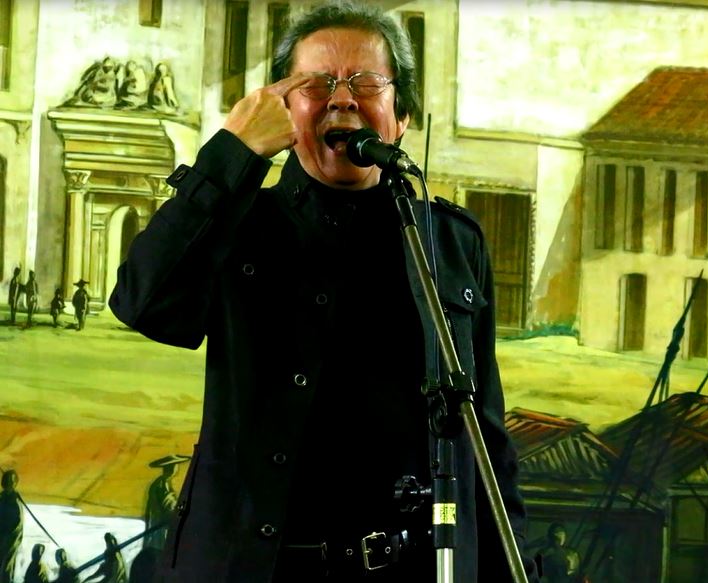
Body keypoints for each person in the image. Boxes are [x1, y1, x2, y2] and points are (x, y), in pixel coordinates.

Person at [109, 2, 538, 582]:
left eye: (366, 83)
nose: (342, 99)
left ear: (402, 116)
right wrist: (233, 153)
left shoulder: (450, 243)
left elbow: (485, 437)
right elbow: (144, 303)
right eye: (315, 85)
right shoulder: (237, 221)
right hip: (249, 568)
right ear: (286, 111)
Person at [143, 455, 189, 551]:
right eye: (173, 466)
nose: (175, 469)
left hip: (160, 524)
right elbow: (169, 505)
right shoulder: (162, 484)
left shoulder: (164, 483)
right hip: (160, 526)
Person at [0, 470, 23, 583]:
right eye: (7, 481)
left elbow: (17, 526)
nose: (9, 484)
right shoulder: (2, 498)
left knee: (6, 567)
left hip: (9, 541)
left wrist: (6, 539)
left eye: (11, 481)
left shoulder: (15, 502)